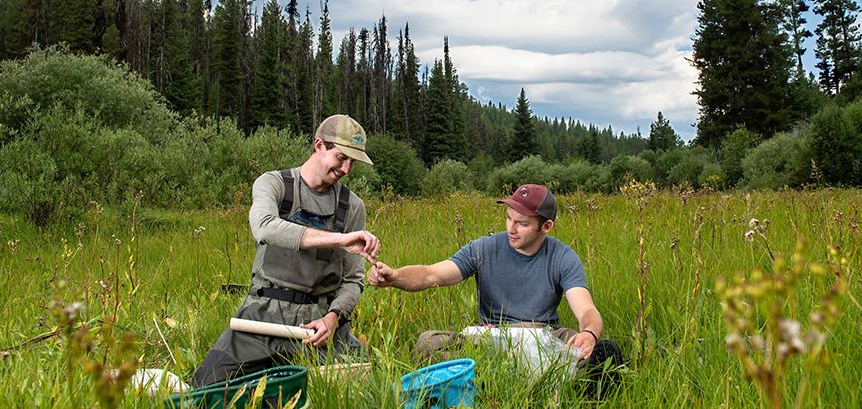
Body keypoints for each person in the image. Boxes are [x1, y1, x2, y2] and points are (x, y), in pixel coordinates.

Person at [368, 184, 624, 392]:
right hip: (492, 336)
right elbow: (431, 274)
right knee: (428, 342)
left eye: (522, 223)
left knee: (604, 353)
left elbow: (586, 309)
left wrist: (589, 334)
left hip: (543, 335)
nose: (510, 229)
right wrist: (395, 277)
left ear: (546, 227)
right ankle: (507, 378)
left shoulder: (562, 257)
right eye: (508, 218)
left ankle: (492, 378)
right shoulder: (483, 248)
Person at [192, 114, 381, 388]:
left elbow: (352, 281)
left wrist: (333, 318)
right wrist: (338, 240)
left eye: (353, 162)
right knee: (203, 389)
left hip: (317, 325)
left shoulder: (353, 207)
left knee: (367, 387)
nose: (347, 169)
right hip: (261, 316)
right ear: (319, 145)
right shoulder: (274, 184)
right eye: (342, 157)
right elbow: (264, 227)